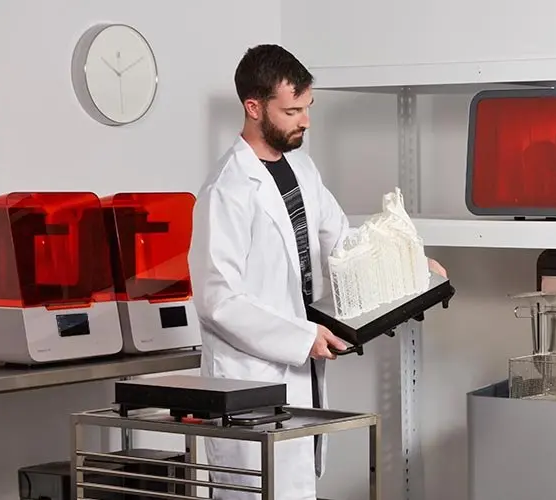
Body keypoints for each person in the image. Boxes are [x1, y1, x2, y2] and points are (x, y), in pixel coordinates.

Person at [189, 44, 444, 500]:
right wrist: (300, 337)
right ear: (253, 107)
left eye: (308, 107)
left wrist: (408, 266)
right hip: (250, 379)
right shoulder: (227, 190)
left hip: (297, 374)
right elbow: (216, 300)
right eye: (292, 110)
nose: (305, 120)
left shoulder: (300, 168)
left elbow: (342, 245)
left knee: (298, 485)